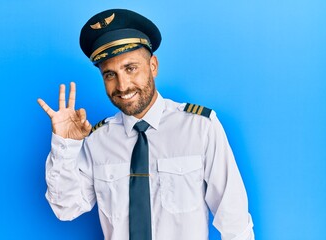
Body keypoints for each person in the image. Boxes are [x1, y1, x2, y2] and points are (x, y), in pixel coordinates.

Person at [38, 9, 254, 240]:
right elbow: (66, 208)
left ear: (153, 66)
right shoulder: (97, 139)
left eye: (130, 69)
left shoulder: (200, 127)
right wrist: (65, 145)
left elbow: (235, 221)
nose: (122, 86)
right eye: (110, 75)